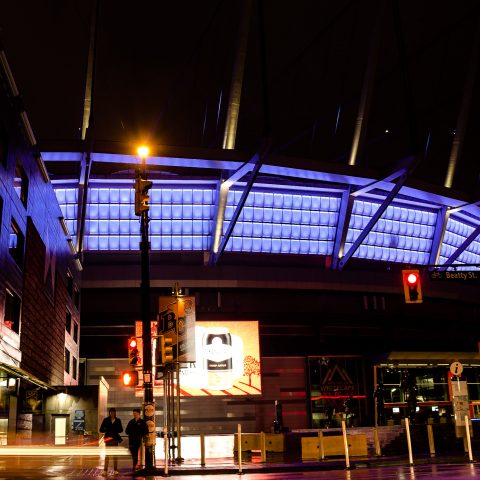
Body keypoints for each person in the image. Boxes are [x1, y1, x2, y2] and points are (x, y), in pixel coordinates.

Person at [99, 407, 123, 476]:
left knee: (115, 455)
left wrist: (115, 429)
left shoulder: (118, 420)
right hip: (108, 439)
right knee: (107, 455)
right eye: (111, 412)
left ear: (115, 413)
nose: (112, 414)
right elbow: (101, 429)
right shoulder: (106, 420)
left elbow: (121, 430)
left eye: (113, 412)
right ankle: (105, 470)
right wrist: (107, 429)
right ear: (109, 413)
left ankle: (115, 470)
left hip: (115, 439)